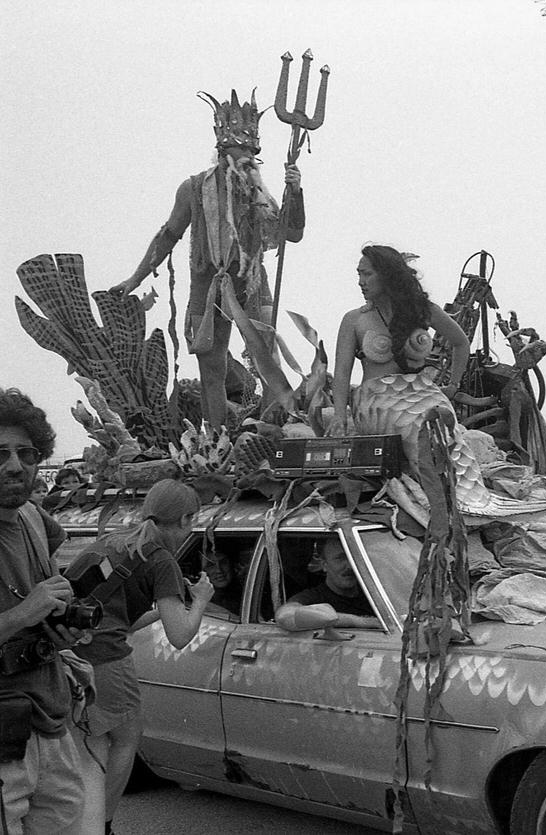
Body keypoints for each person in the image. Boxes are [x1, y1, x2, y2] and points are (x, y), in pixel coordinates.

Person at [112, 90, 305, 430]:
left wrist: (296, 193)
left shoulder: (258, 192)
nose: (249, 155)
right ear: (222, 149)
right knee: (211, 368)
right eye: (242, 148)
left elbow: (291, 234)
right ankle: (216, 438)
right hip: (207, 283)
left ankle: (275, 432)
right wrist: (135, 279)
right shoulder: (193, 188)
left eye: (253, 150)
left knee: (268, 358)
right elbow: (168, 234)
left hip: (251, 282)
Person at [71, 479, 213, 835]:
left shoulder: (114, 541)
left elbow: (122, 617)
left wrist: (168, 608)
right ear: (183, 519)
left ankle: (82, 822)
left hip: (69, 652)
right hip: (106, 658)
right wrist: (200, 601)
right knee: (127, 737)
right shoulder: (162, 559)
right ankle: (102, 824)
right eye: (191, 521)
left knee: (92, 743)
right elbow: (180, 636)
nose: (190, 529)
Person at [0, 389, 87, 833]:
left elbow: (52, 599)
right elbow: (27, 609)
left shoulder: (34, 517)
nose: (15, 465)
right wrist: (22, 613)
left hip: (50, 722)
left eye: (26, 452)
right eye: (0, 453)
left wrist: (61, 630)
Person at [329, 245, 471, 437]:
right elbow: (342, 373)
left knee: (444, 420)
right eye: (359, 275)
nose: (361, 282)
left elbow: (460, 342)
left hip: (419, 393)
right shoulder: (354, 320)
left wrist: (453, 386)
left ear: (387, 276)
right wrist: (339, 416)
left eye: (367, 274)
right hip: (375, 400)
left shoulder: (422, 310)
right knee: (413, 423)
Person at [275, 540, 381, 631]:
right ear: (324, 565)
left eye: (353, 556)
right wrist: (360, 622)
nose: (349, 565)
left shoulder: (378, 594)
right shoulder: (313, 597)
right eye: (340, 558)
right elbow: (285, 616)